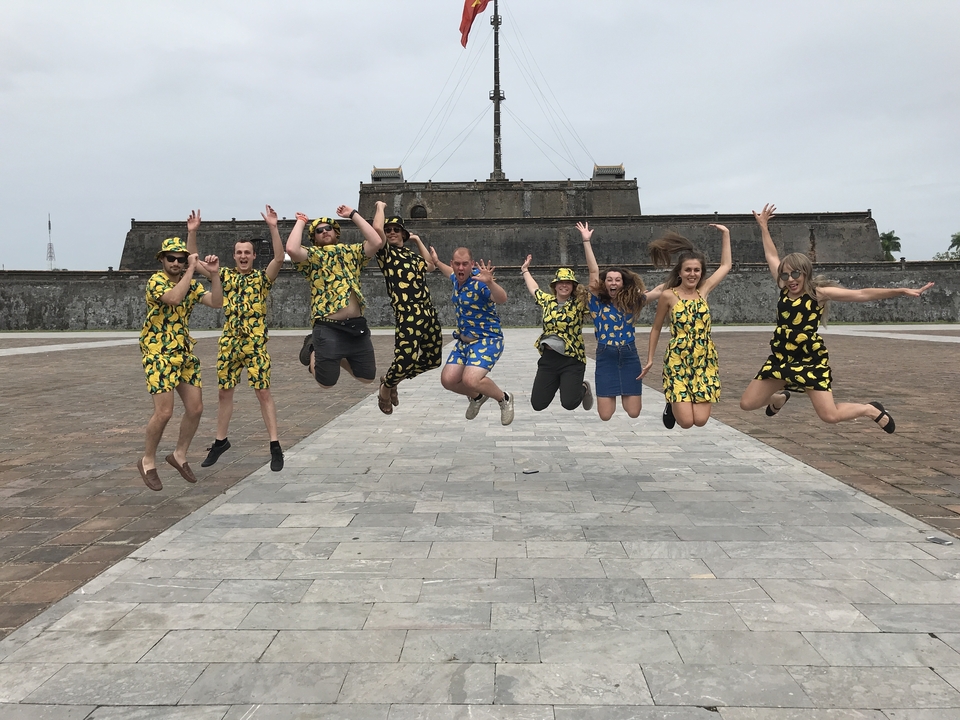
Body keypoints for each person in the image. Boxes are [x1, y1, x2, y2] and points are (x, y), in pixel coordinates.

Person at [739, 203, 934, 432]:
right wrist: (763, 226)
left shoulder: (817, 293)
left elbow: (861, 294)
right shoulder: (783, 286)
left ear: (805, 273)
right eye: (785, 273)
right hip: (782, 357)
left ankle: (870, 409)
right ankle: (778, 398)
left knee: (829, 416)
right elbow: (771, 254)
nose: (790, 279)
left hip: (809, 359)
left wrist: (900, 291)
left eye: (795, 273)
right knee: (747, 403)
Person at [186, 206, 286, 471]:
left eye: (247, 253)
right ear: (234, 256)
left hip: (254, 344)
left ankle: (275, 445)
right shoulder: (224, 275)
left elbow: (278, 257)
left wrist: (273, 227)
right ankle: (221, 441)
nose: (243, 256)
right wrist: (192, 232)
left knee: (263, 391)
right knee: (223, 393)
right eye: (239, 253)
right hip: (230, 342)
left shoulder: (262, 280)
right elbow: (193, 261)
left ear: (253, 256)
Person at [138, 234, 222, 491]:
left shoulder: (191, 284)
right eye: (171, 259)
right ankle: (147, 460)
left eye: (181, 259)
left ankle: (179, 454)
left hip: (183, 351)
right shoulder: (156, 281)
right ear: (162, 259)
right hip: (158, 352)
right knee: (164, 412)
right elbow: (174, 298)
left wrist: (215, 275)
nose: (176, 263)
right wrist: (191, 270)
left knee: (195, 408)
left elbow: (217, 302)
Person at [641, 224, 732, 429]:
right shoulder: (668, 295)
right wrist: (649, 359)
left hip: (704, 359)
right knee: (686, 422)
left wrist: (726, 234)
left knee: (700, 421)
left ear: (701, 273)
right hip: (678, 359)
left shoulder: (704, 290)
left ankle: (675, 402)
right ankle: (671, 402)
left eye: (697, 270)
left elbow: (726, 265)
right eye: (688, 270)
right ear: (680, 273)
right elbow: (656, 328)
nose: (692, 274)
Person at [286, 205, 384, 388]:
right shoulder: (312, 256)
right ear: (314, 238)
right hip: (328, 325)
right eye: (318, 231)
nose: (324, 232)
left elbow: (377, 241)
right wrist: (301, 221)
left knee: (367, 377)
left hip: (355, 325)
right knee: (326, 382)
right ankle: (314, 349)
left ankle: (334, 356)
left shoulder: (352, 252)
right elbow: (291, 249)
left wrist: (353, 215)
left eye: (328, 228)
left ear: (336, 232)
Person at [579, 221, 664, 421]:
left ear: (623, 283)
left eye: (617, 279)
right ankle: (586, 389)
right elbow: (593, 271)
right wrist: (586, 241)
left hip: (629, 356)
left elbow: (659, 291)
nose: (613, 282)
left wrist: (686, 278)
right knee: (605, 415)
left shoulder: (633, 302)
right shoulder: (596, 303)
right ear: (604, 282)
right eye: (609, 279)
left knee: (633, 412)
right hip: (605, 356)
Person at [370, 202, 443, 414]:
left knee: (433, 360)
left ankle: (391, 381)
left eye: (396, 230)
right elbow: (376, 231)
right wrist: (380, 207)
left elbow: (430, 266)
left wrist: (418, 239)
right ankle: (386, 389)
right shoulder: (386, 254)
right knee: (405, 360)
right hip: (408, 315)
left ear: (403, 233)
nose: (391, 232)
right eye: (388, 230)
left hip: (428, 313)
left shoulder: (412, 257)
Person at [428, 245, 514, 425]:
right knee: (448, 380)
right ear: (453, 264)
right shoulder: (456, 278)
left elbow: (502, 298)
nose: (461, 268)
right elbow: (448, 272)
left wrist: (490, 282)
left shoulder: (479, 282)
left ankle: (504, 399)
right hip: (463, 342)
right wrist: (436, 262)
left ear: (472, 264)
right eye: (457, 264)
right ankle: (477, 397)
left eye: (465, 264)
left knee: (470, 379)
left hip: (487, 339)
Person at [519, 255, 593, 412]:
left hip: (571, 359)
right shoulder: (548, 301)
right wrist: (525, 270)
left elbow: (594, 285)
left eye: (568, 283)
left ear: (573, 286)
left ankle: (583, 388)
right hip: (549, 359)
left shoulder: (579, 304)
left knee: (569, 403)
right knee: (538, 404)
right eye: (561, 282)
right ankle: (564, 383)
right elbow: (534, 289)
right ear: (555, 285)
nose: (564, 286)